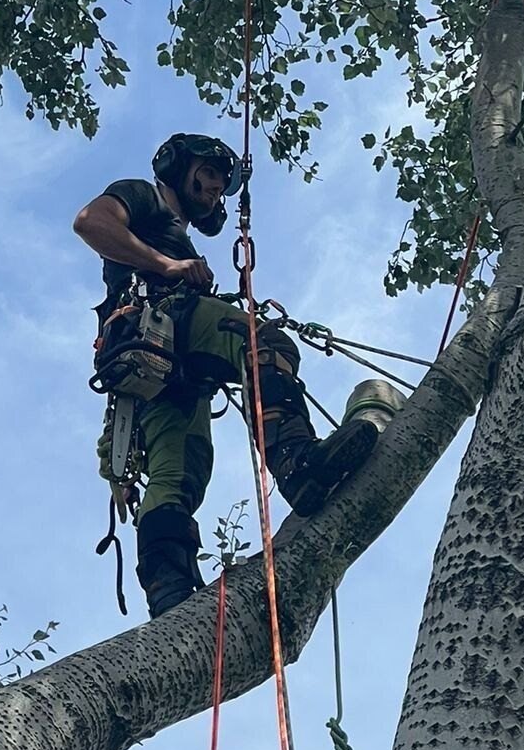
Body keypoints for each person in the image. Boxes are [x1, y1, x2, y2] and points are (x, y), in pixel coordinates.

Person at [74, 132, 378, 617]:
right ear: (177, 164)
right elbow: (91, 222)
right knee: (264, 343)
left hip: (161, 363)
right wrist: (169, 265)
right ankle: (297, 464)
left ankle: (171, 592)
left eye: (222, 181)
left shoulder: (180, 233)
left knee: (182, 471)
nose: (217, 186)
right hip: (160, 322)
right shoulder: (142, 196)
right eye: (209, 172)